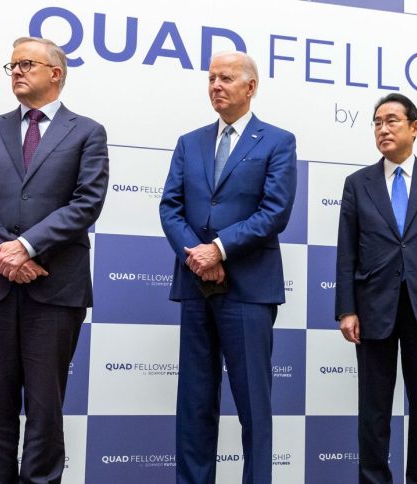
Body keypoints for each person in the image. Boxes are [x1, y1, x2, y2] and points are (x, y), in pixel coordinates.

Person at [0, 37, 109, 483]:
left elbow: (87, 202)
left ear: (55, 73)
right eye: (12, 66)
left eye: (26, 64)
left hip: (56, 289)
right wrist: (8, 251)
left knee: (45, 415)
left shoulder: (87, 131)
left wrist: (27, 247)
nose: (17, 72)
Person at [159, 51, 297, 484]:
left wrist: (218, 249)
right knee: (195, 403)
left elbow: (275, 211)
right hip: (195, 285)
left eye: (226, 78)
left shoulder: (277, 141)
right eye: (211, 78)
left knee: (254, 405)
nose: (216, 85)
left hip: (249, 289)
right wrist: (198, 256)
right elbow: (170, 208)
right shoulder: (190, 141)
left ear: (250, 87)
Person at [335, 93, 417, 484]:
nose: (383, 128)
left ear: (415, 127)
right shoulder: (358, 183)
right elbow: (346, 253)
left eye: (392, 120)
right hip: (373, 306)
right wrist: (346, 309)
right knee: (374, 410)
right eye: (377, 122)